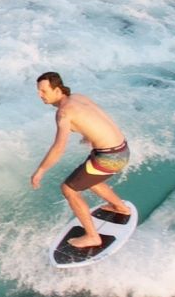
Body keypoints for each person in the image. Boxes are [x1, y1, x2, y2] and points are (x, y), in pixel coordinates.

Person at [30, 71, 135, 250]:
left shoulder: (63, 113)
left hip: (109, 157)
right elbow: (98, 118)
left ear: (57, 90)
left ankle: (93, 237)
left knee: (69, 188)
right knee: (88, 177)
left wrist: (40, 171)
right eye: (39, 91)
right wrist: (89, 136)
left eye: (44, 91)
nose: (40, 95)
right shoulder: (78, 97)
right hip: (122, 150)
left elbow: (58, 147)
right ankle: (120, 207)